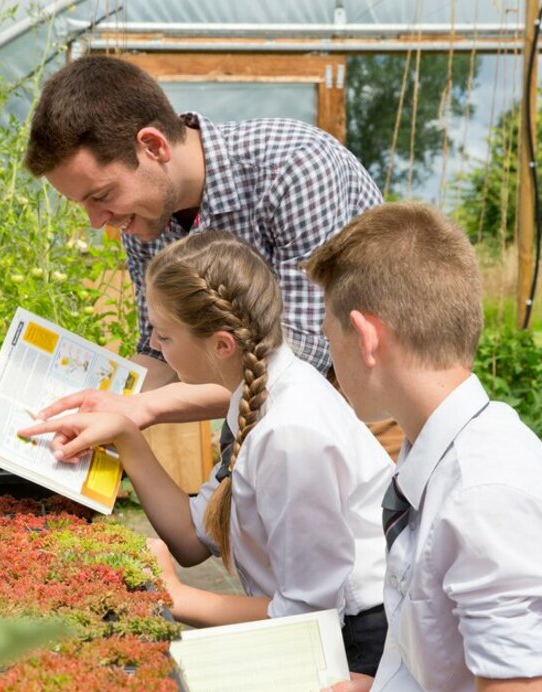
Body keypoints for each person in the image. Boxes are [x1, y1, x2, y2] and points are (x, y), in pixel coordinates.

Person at [19, 230, 393, 676]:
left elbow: (309, 618)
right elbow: (194, 538)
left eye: (164, 336)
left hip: (359, 647)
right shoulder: (255, 397)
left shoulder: (292, 434)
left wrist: (178, 598)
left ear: (220, 344)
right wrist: (126, 436)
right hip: (324, 634)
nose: (155, 348)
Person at [24, 54, 393, 447]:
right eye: (85, 205)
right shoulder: (143, 217)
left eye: (101, 196)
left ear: (153, 146)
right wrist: (83, 409)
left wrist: (146, 408)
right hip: (263, 417)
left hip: (365, 410)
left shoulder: (292, 166)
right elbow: (160, 348)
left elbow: (305, 356)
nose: (97, 221)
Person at [303, 201, 542, 692]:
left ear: (365, 338)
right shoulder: (442, 451)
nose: (327, 358)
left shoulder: (483, 496)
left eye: (327, 335)